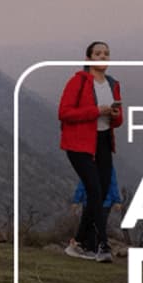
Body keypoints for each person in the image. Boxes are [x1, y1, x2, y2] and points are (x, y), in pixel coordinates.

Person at [58, 41, 122, 262]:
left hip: (103, 141)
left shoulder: (113, 84)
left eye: (106, 53)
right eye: (97, 53)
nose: (102, 57)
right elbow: (64, 113)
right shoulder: (78, 82)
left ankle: (78, 243)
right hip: (79, 144)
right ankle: (103, 247)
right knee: (94, 191)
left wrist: (114, 114)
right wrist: (96, 111)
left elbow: (119, 120)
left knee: (101, 193)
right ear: (88, 59)